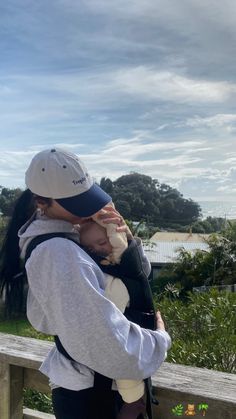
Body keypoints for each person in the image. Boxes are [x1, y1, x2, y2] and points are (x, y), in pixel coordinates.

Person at [0, 148, 171, 419]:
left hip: (92, 386)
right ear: (42, 202)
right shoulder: (58, 252)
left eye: (86, 198)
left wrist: (123, 242)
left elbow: (135, 277)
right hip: (94, 392)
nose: (88, 208)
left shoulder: (72, 232)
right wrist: (159, 340)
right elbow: (108, 346)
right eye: (76, 202)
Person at [79, 217, 157, 419]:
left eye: (102, 242)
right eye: (88, 247)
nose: (96, 249)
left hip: (130, 332)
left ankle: (134, 402)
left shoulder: (121, 259)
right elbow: (121, 294)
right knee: (125, 369)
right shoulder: (93, 268)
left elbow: (143, 272)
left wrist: (127, 245)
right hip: (114, 339)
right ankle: (133, 402)